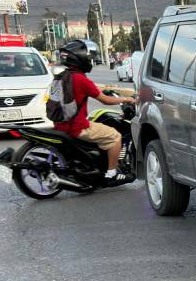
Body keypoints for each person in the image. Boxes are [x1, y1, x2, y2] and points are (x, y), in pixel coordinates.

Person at [53, 40, 137, 185]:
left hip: (61, 124)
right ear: (80, 59)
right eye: (88, 57)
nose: (90, 60)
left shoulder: (62, 76)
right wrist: (127, 99)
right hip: (77, 127)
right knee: (115, 136)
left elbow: (87, 92)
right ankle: (112, 173)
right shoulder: (81, 79)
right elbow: (105, 100)